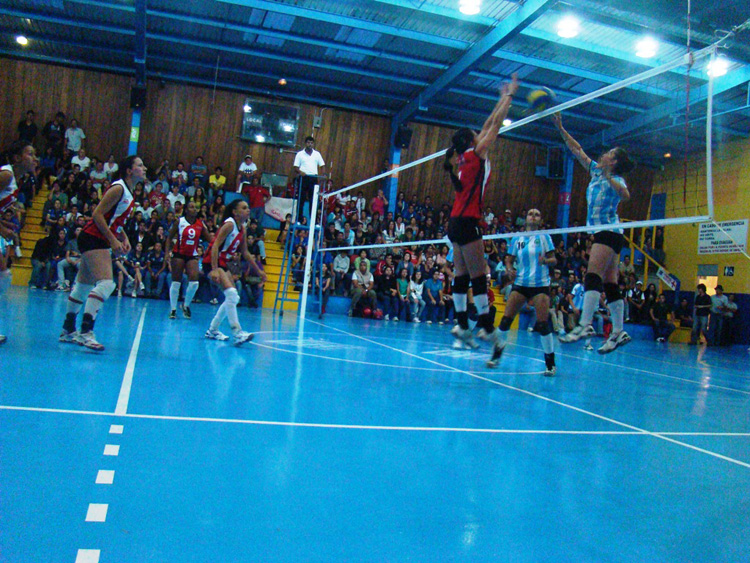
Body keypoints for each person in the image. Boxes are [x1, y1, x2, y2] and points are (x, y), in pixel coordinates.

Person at [443, 73, 519, 364]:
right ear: (471, 141)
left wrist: (500, 98)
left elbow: (489, 124)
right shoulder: (475, 155)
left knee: (462, 274)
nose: (481, 133)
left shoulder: (464, 159)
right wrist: (509, 96)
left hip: (455, 223)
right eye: (476, 134)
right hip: (468, 221)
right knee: (479, 276)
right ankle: (485, 327)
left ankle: (464, 324)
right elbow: (495, 126)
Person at [553, 112, 635, 354]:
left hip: (609, 231)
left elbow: (625, 195)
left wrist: (610, 177)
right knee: (610, 283)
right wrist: (560, 127)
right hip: (607, 233)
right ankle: (618, 332)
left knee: (593, 276)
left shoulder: (615, 177)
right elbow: (577, 149)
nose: (605, 153)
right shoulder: (595, 171)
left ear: (614, 162)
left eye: (610, 154)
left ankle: (584, 325)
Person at [59, 155, 144, 350]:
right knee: (107, 284)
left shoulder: (129, 192)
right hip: (93, 237)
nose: (144, 168)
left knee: (83, 286)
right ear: (129, 170)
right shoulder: (118, 188)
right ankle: (86, 332)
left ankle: (68, 330)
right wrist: (113, 240)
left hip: (96, 237)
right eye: (140, 165)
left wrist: (124, 237)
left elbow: (113, 220)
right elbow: (97, 214)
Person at [489, 209, 557, 374]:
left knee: (542, 324)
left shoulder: (545, 237)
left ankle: (550, 363)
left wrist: (545, 260)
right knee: (505, 321)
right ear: (525, 218)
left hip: (540, 284)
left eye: (537, 214)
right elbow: (509, 258)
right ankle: (496, 355)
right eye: (530, 214)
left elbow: (554, 259)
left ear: (540, 220)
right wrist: (509, 268)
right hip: (521, 283)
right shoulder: (517, 238)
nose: (533, 216)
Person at [203, 199, 266, 345]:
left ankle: (212, 330)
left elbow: (245, 252)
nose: (248, 210)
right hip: (212, 261)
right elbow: (215, 246)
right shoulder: (229, 225)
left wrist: (259, 271)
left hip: (223, 263)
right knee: (231, 294)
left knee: (233, 297)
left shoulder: (242, 228)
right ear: (235, 212)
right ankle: (237, 333)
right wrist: (213, 270)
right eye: (244, 208)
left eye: (248, 207)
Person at [165, 200, 213, 319]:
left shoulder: (200, 224)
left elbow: (210, 239)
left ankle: (186, 305)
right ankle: (173, 309)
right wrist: (167, 252)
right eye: (191, 207)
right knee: (176, 281)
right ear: (186, 209)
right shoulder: (179, 221)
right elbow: (169, 237)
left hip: (192, 255)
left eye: (195, 207)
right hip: (179, 254)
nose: (194, 209)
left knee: (194, 281)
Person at [293, 136, 326, 222]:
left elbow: (322, 165)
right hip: (303, 177)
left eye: (311, 143)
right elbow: (295, 167)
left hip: (313, 178)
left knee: (313, 200)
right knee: (301, 199)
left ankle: (313, 221)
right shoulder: (300, 154)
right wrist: (301, 172)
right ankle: (299, 220)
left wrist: (322, 175)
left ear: (313, 144)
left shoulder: (317, 154)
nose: (310, 144)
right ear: (305, 143)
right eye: (308, 142)